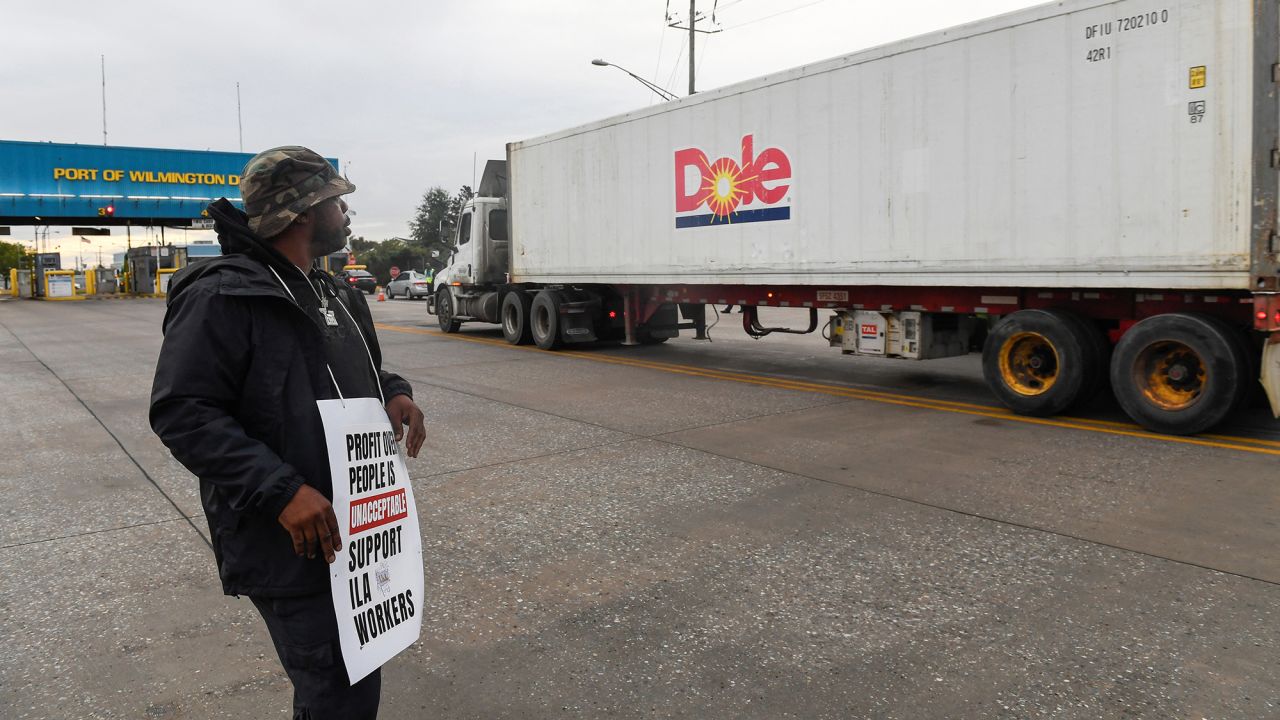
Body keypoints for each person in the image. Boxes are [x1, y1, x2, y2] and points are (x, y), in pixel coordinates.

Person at [149, 146, 426, 720]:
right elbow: (184, 411)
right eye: (335, 201)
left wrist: (394, 389)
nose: (346, 214)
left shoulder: (332, 291)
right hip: (291, 542)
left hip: (356, 531)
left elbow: (362, 368)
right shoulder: (224, 294)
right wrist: (281, 491)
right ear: (302, 213)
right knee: (336, 691)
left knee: (355, 679)